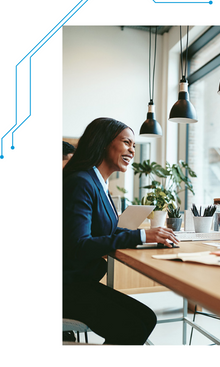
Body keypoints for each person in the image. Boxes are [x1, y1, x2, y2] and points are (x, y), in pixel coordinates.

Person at [63, 117, 179, 345]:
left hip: (81, 283)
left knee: (147, 318)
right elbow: (79, 245)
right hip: (67, 286)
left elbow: (101, 234)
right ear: (104, 142)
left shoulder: (99, 184)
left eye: (134, 145)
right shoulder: (81, 182)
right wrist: (142, 235)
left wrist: (146, 238)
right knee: (134, 327)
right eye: (127, 142)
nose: (132, 150)